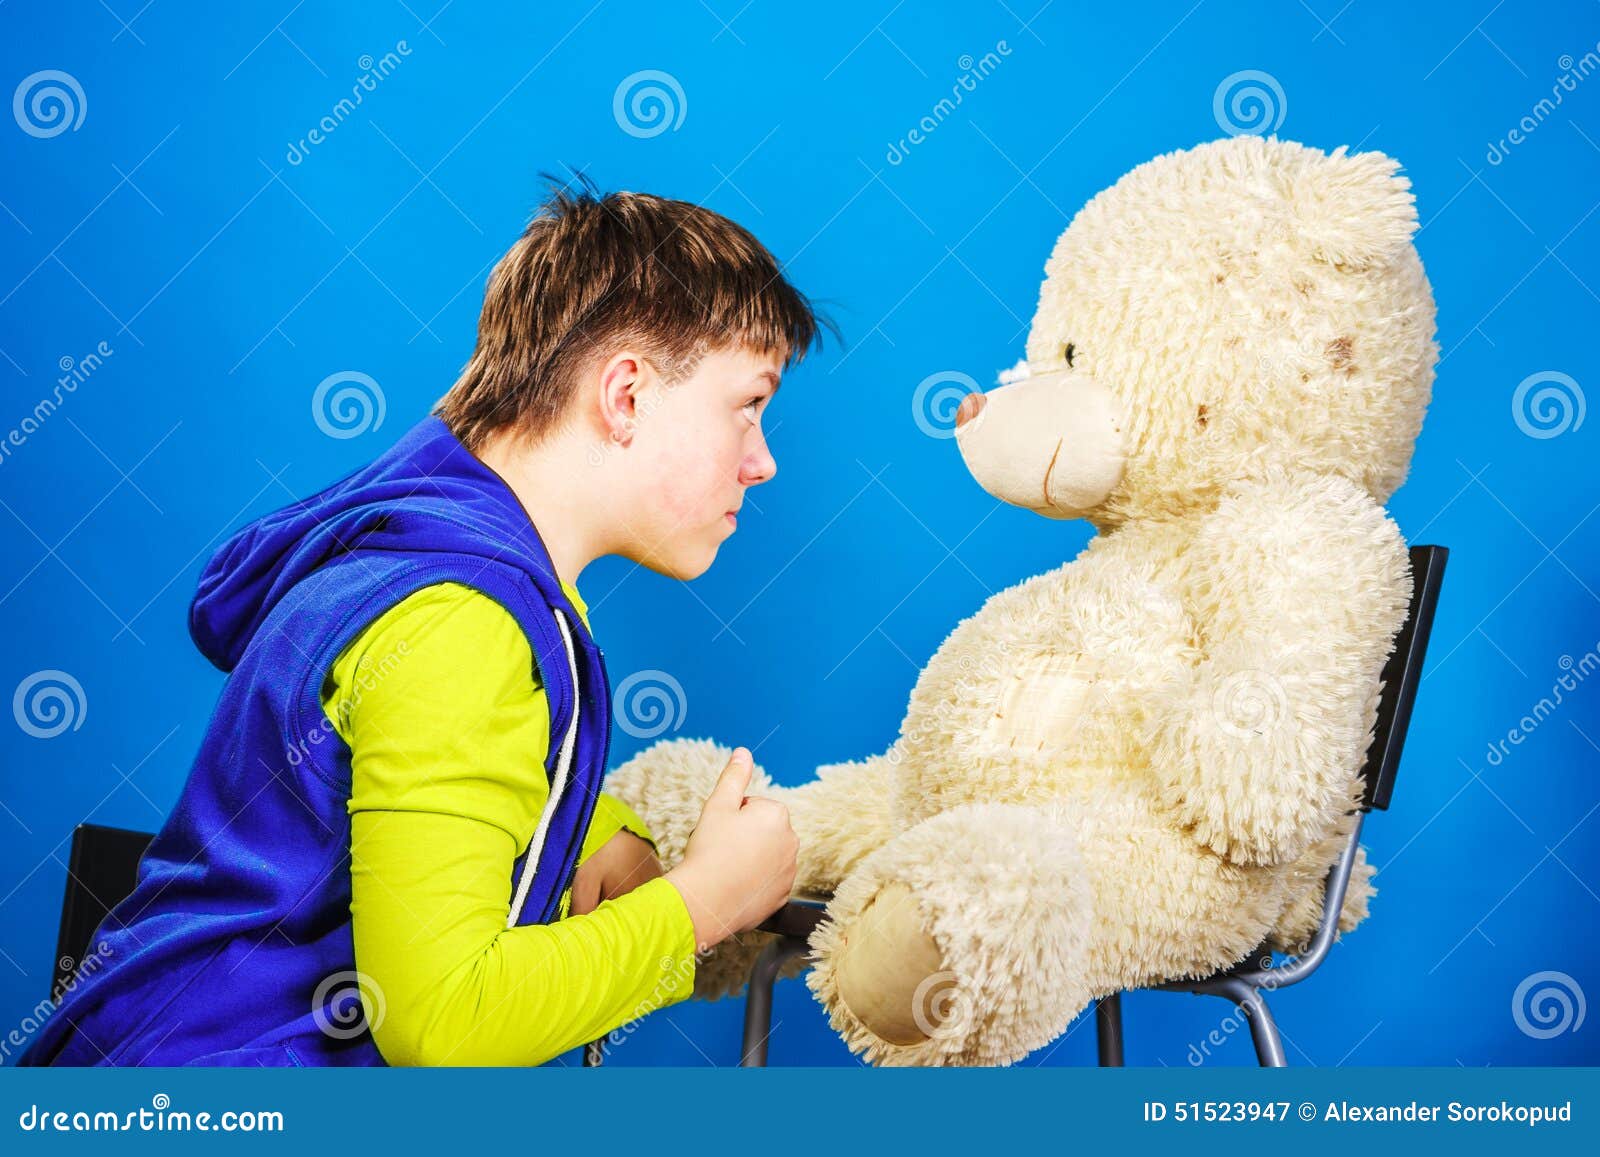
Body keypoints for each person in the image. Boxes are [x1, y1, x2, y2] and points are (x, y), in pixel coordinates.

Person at [20, 180, 817, 1066]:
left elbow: (377, 769)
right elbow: (445, 1022)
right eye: (748, 404)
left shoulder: (416, 557)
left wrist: (582, 825)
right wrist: (706, 901)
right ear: (626, 393)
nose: (763, 460)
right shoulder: (463, 623)